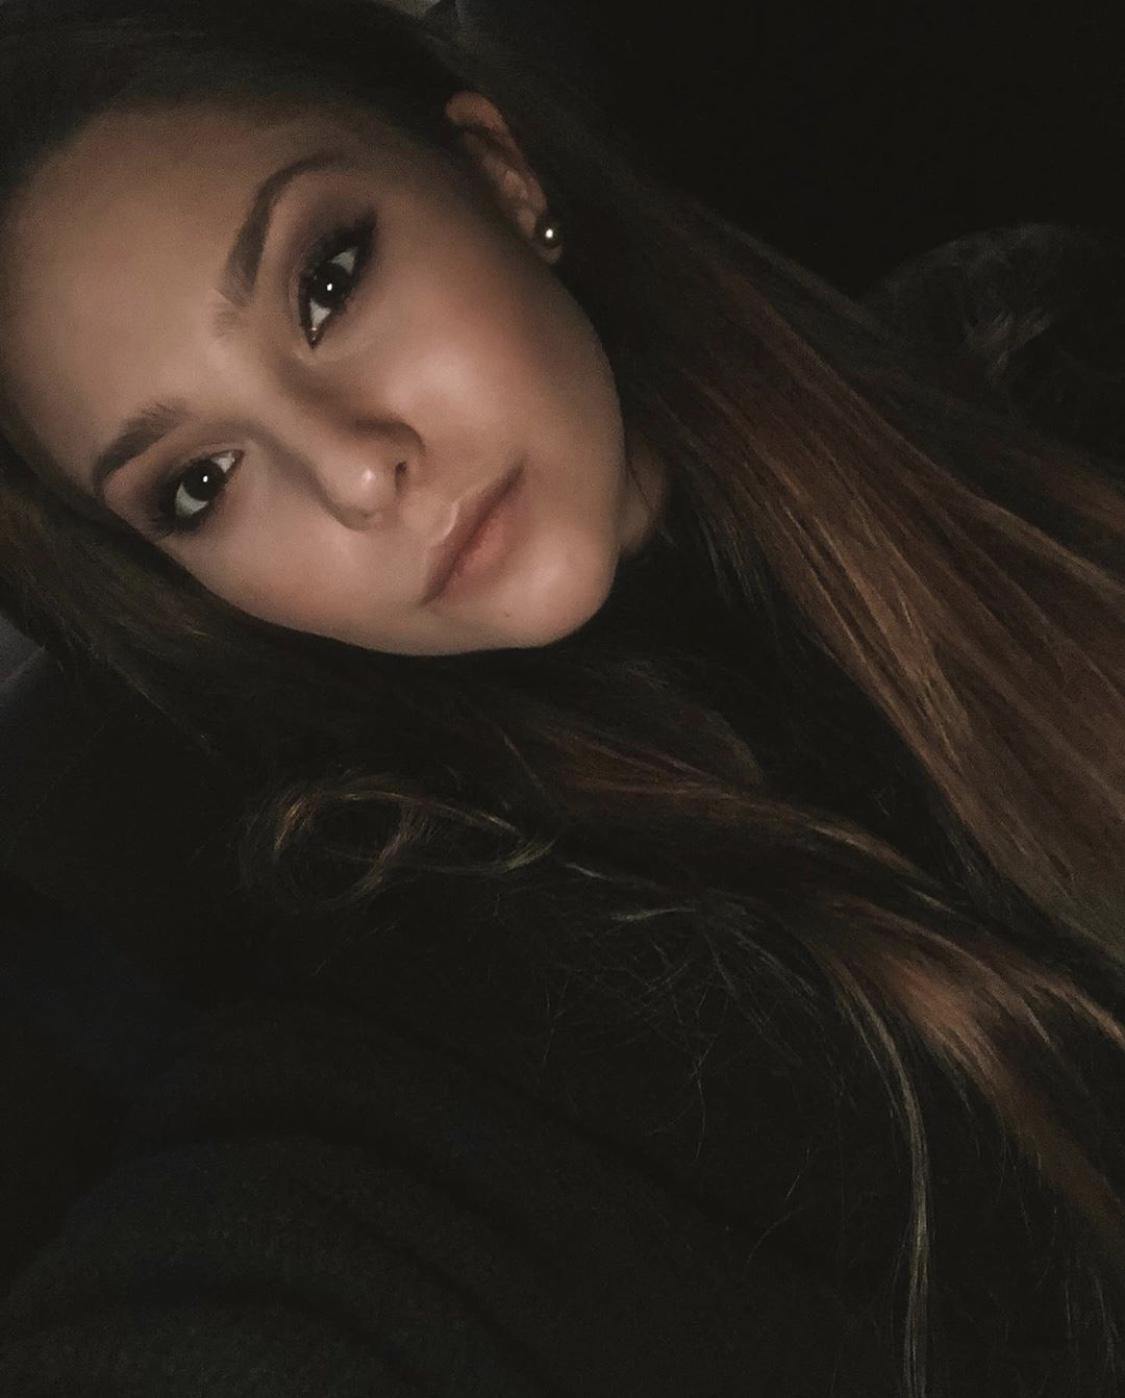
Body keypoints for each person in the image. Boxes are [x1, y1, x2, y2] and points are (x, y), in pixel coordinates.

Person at [0, 0, 1123, 1392]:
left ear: (497, 174)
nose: (355, 473)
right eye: (201, 483)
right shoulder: (452, 1004)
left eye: (326, 283)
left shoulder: (1042, 363)